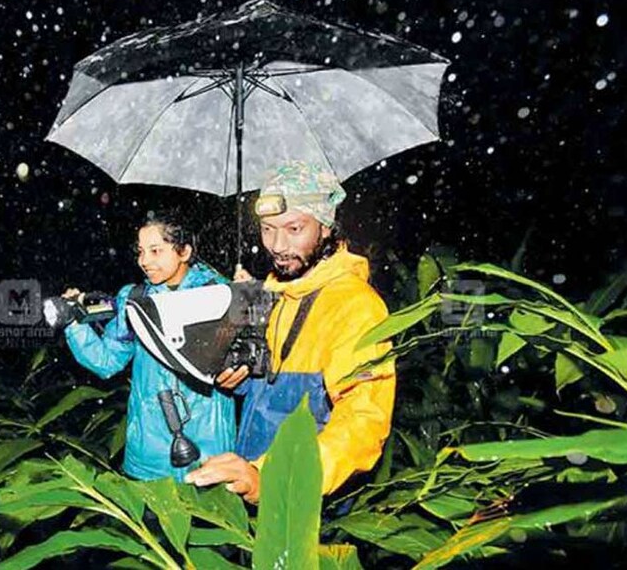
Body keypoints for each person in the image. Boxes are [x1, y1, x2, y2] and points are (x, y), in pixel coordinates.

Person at [184, 162, 396, 503]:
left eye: (294, 228)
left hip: (310, 499)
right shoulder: (272, 294)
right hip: (250, 471)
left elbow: (363, 420)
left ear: (326, 227)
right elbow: (271, 392)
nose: (278, 245)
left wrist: (275, 476)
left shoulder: (356, 306)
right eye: (268, 229)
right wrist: (238, 379)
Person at [61, 212, 236, 481]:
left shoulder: (221, 295)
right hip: (149, 459)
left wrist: (243, 295)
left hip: (211, 455)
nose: (144, 261)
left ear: (184, 251)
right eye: (141, 251)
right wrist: (74, 323)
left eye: (156, 251)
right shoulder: (135, 300)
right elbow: (107, 361)